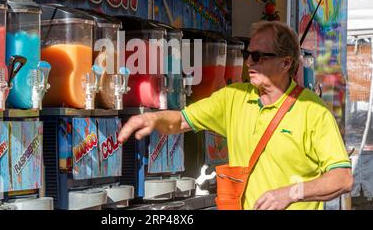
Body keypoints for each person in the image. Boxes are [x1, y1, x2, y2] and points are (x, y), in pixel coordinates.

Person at [118, 21, 353, 210]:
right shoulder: (233, 97)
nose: (249, 61)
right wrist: (151, 118)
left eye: (260, 56)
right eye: (248, 54)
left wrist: (291, 194)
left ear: (286, 63)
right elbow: (180, 121)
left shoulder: (313, 111)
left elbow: (342, 178)